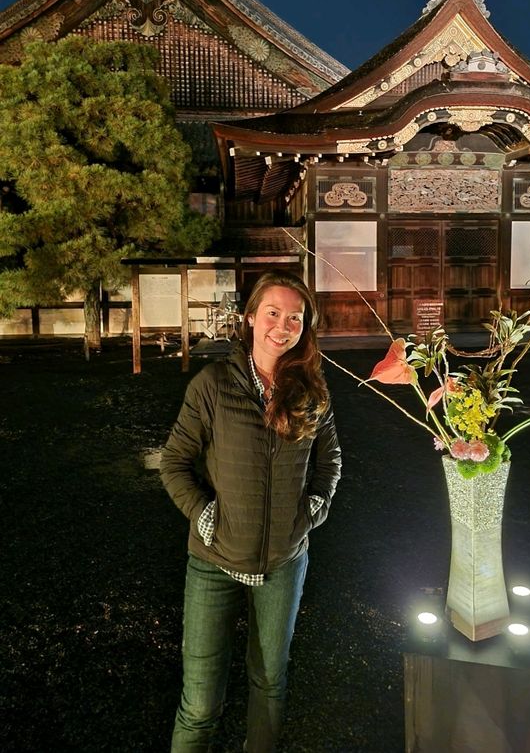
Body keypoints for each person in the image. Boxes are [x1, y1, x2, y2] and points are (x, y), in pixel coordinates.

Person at [160, 270, 341, 753]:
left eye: (295, 319)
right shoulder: (212, 385)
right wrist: (204, 515)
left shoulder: (311, 389)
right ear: (250, 318)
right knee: (199, 703)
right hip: (213, 561)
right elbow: (174, 462)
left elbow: (331, 460)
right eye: (273, 313)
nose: (283, 326)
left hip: (284, 561)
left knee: (269, 684)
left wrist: (313, 510)